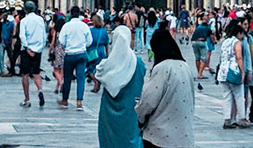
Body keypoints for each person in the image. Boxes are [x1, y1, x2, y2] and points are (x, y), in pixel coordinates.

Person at [139, 19, 197, 148]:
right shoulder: (185, 66)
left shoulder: (163, 68)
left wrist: (139, 117)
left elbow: (148, 101)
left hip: (160, 137)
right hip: (184, 136)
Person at [99, 17, 148, 148]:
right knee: (131, 135)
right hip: (131, 107)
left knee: (110, 137)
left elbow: (99, 74)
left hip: (108, 109)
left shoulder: (107, 65)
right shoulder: (138, 63)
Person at [214, 20, 250, 127]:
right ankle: (242, 118)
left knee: (227, 96)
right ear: (239, 33)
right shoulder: (237, 42)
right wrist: (243, 71)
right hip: (233, 71)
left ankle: (227, 119)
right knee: (239, 95)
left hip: (223, 72)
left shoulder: (225, 42)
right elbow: (239, 57)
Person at [59, 8, 94, 108]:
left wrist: (68, 45)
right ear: (79, 14)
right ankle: (79, 101)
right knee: (81, 77)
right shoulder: (84, 26)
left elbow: (61, 40)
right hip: (81, 54)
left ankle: (65, 100)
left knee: (68, 77)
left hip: (70, 54)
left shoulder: (66, 26)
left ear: (70, 14)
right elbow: (89, 41)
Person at [19, 5, 49, 108]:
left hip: (27, 50)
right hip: (38, 50)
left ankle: (27, 99)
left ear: (25, 10)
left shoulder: (24, 20)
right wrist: (40, 48)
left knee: (25, 74)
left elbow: (22, 35)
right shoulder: (40, 20)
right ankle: (40, 90)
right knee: (36, 73)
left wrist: (27, 48)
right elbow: (44, 35)